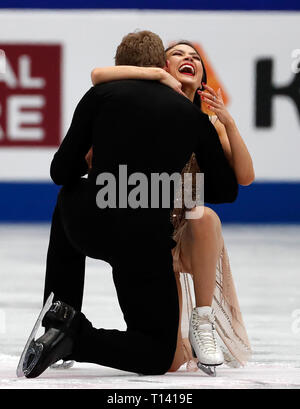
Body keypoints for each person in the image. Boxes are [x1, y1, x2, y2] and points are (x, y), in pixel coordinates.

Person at [20, 31, 238, 379]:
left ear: (120, 65)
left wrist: (92, 165)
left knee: (68, 196)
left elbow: (61, 171)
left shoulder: (100, 96)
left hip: (92, 222)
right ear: (161, 65)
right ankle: (77, 337)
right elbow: (227, 190)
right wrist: (173, 188)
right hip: (145, 242)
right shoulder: (192, 114)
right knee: (156, 354)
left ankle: (60, 312)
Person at [90, 41, 254, 371]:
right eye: (178, 54)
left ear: (202, 74)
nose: (188, 58)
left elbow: (245, 178)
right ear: (163, 69)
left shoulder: (212, 125)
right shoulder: (147, 111)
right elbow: (99, 76)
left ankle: (202, 321)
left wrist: (229, 122)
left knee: (202, 214)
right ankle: (84, 338)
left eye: (194, 56)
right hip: (151, 235)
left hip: (191, 231)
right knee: (171, 362)